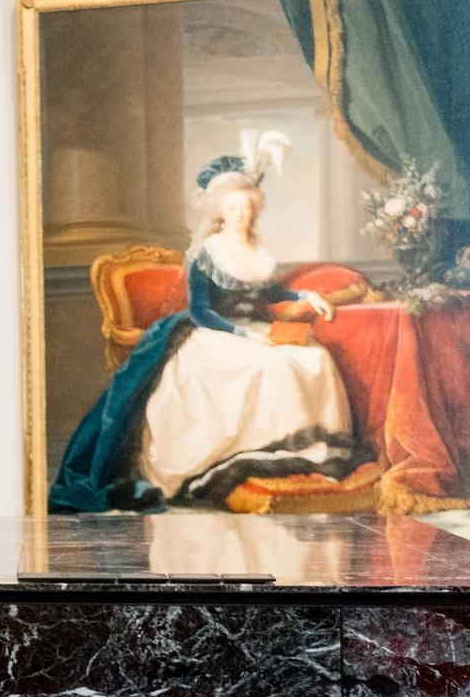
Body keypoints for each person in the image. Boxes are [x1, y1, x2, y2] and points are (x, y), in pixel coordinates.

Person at [50, 134, 355, 511]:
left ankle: (305, 451)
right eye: (233, 209)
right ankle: (239, 457)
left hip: (253, 330)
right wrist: (245, 336)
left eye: (246, 208)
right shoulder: (206, 253)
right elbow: (201, 312)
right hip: (212, 332)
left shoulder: (258, 251)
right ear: (220, 212)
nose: (241, 215)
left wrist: (306, 297)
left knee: (315, 358)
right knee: (269, 364)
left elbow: (272, 293)